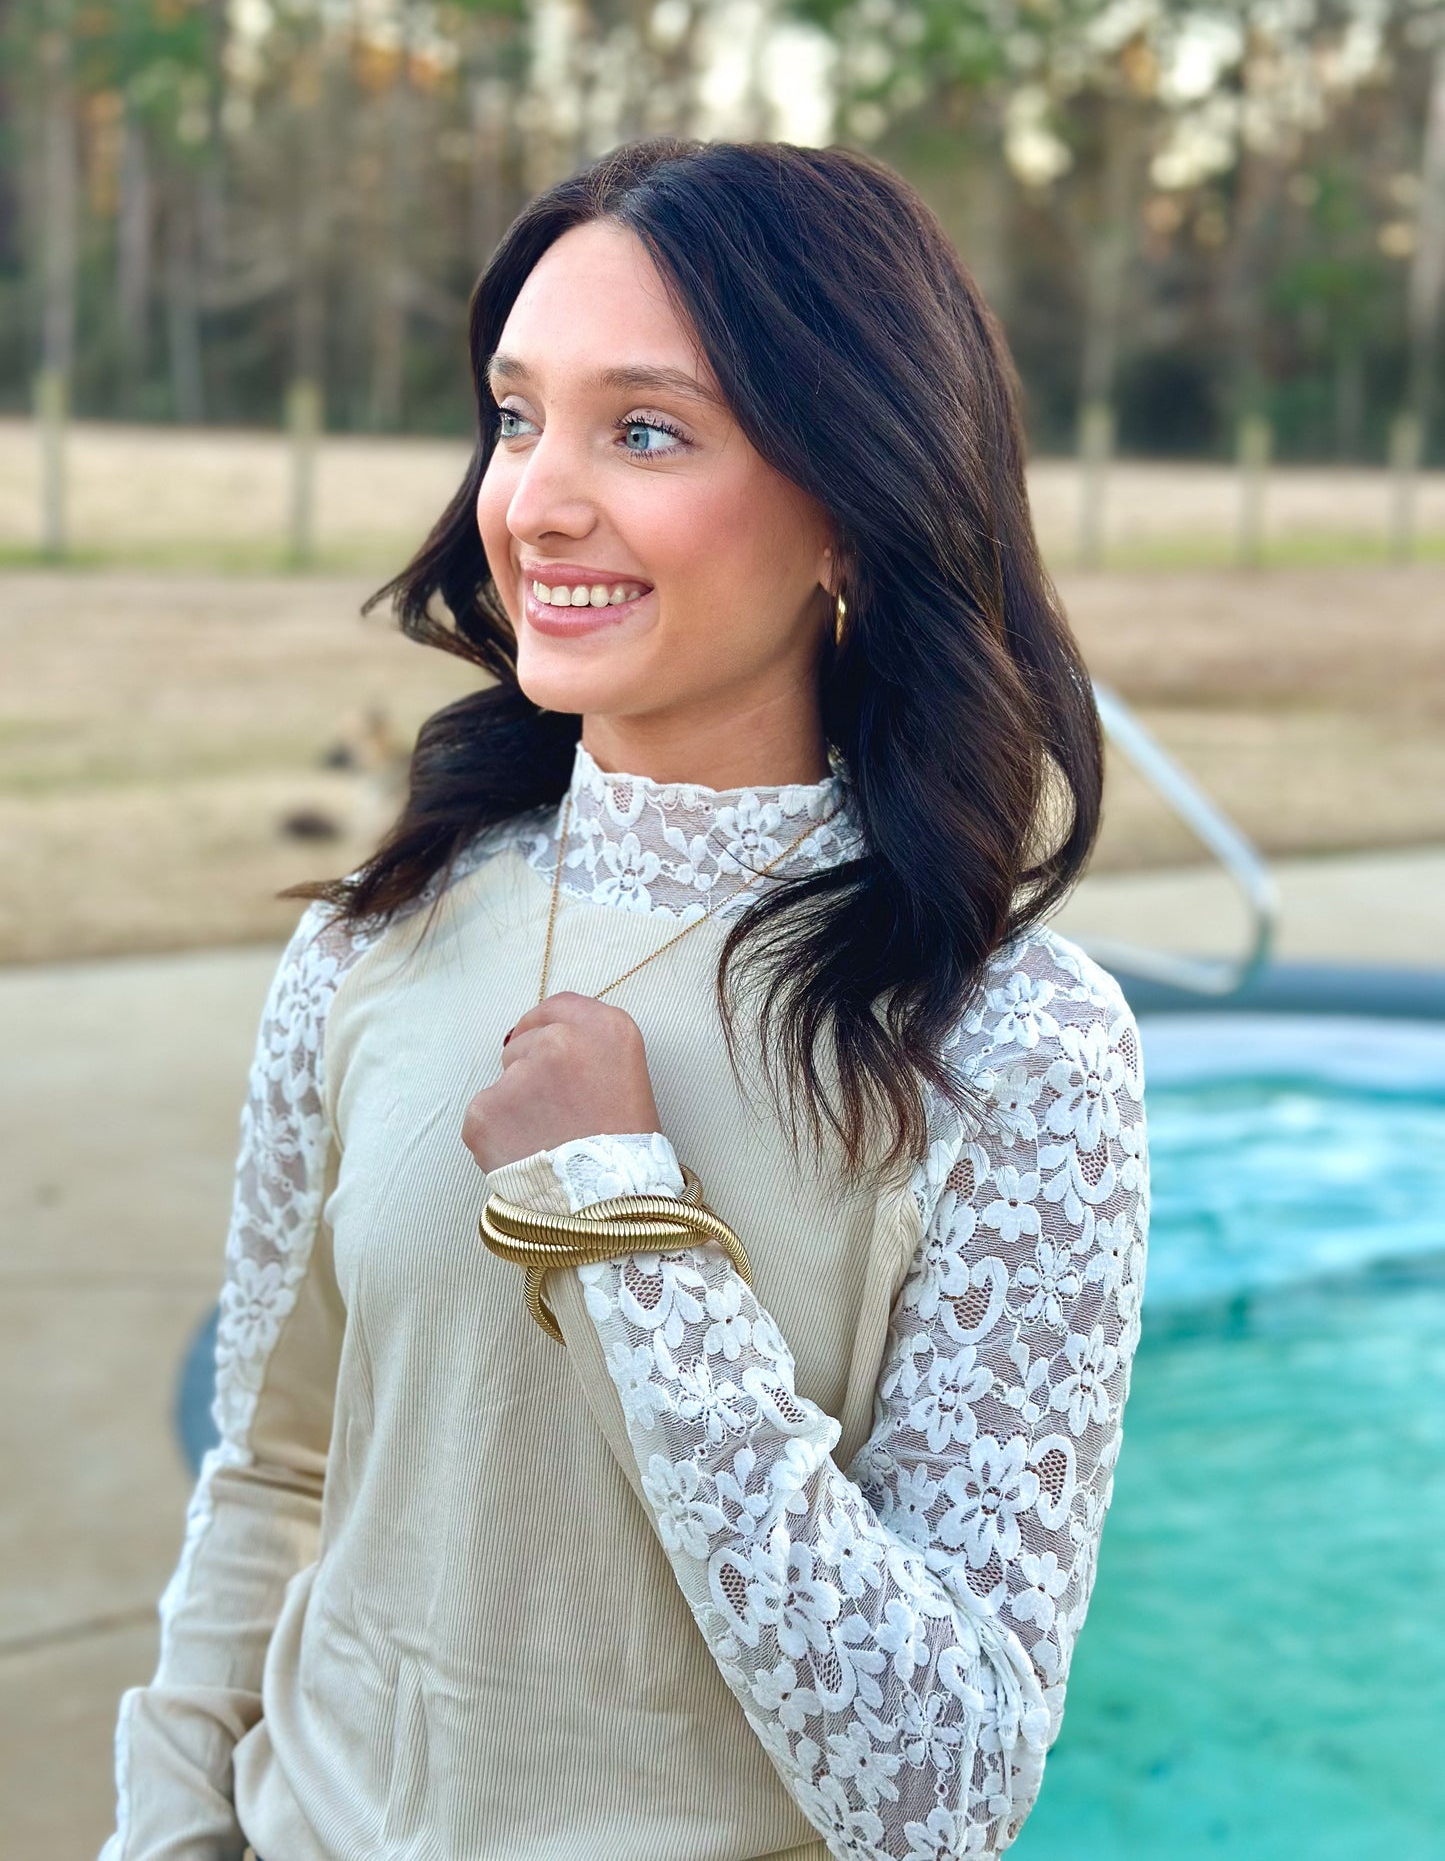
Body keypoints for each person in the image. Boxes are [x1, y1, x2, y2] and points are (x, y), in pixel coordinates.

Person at [100, 136, 1149, 1861]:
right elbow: (272, 1473)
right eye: (517, 417)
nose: (535, 503)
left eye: (643, 429)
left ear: (856, 511)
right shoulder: (379, 935)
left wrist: (620, 1227)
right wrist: (161, 1832)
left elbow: (941, 1794)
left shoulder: (1010, 1044)